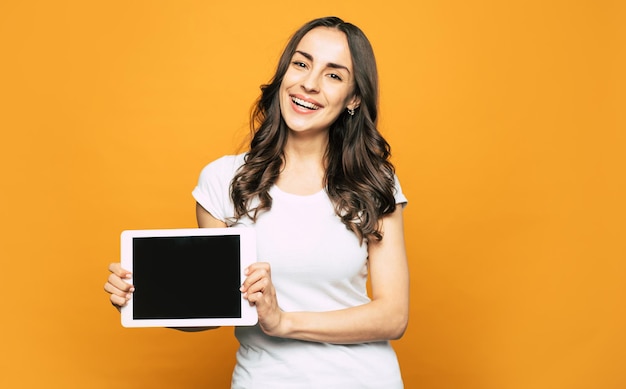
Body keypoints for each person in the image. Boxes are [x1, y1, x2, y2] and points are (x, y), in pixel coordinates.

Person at [105, 16, 409, 388]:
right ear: (284, 74)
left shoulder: (374, 182)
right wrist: (143, 297)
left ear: (354, 97)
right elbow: (216, 305)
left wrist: (284, 321)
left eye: (333, 75)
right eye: (301, 64)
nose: (309, 84)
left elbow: (393, 316)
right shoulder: (223, 181)